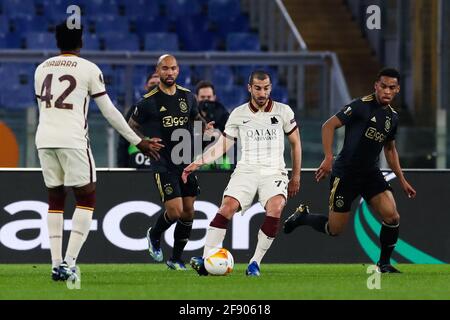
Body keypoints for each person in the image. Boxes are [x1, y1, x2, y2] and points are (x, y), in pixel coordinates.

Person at [34, 22, 160, 281]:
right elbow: (110, 112)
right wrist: (138, 141)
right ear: (80, 42)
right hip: (73, 140)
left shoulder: (41, 68)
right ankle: (68, 263)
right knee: (86, 199)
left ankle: (55, 263)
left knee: (55, 200)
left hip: (44, 139)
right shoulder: (88, 69)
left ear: (57, 42)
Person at [283, 68, 416, 273]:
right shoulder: (360, 106)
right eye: (383, 86)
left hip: (371, 174)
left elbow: (390, 150)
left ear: (397, 89)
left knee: (392, 216)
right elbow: (328, 126)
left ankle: (384, 264)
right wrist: (328, 158)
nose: (387, 91)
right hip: (345, 174)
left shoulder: (393, 118)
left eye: (392, 87)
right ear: (376, 86)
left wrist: (402, 179)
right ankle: (303, 217)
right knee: (334, 230)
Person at [182, 70, 302, 276]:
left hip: (274, 172)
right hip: (246, 169)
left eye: (266, 88)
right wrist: (198, 162)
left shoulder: (284, 112)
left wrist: (296, 176)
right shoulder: (238, 114)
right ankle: (206, 259)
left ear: (270, 88)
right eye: (258, 88)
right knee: (226, 208)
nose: (262, 93)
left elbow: (295, 144)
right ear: (250, 88)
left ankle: (254, 263)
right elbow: (222, 146)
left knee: (275, 208)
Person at [128, 54, 213, 270]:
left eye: (173, 68)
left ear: (178, 70)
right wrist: (143, 142)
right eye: (165, 69)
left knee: (188, 212)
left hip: (184, 161)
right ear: (158, 71)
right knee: (174, 212)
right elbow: (130, 125)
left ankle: (175, 259)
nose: (170, 72)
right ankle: (154, 234)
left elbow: (195, 118)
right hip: (163, 162)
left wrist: (204, 127)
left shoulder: (188, 97)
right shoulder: (147, 101)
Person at [117, 71, 160, 168]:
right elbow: (123, 140)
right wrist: (121, 169)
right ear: (146, 87)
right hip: (136, 167)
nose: (155, 86)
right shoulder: (135, 109)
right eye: (152, 84)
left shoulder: (173, 110)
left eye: (158, 84)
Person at [194, 80, 232, 170]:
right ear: (196, 97)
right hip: (197, 154)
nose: (206, 100)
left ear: (214, 97)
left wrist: (217, 135)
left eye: (209, 97)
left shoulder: (222, 112)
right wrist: (202, 136)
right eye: (202, 97)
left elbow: (231, 136)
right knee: (203, 165)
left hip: (221, 154)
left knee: (226, 165)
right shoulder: (191, 113)